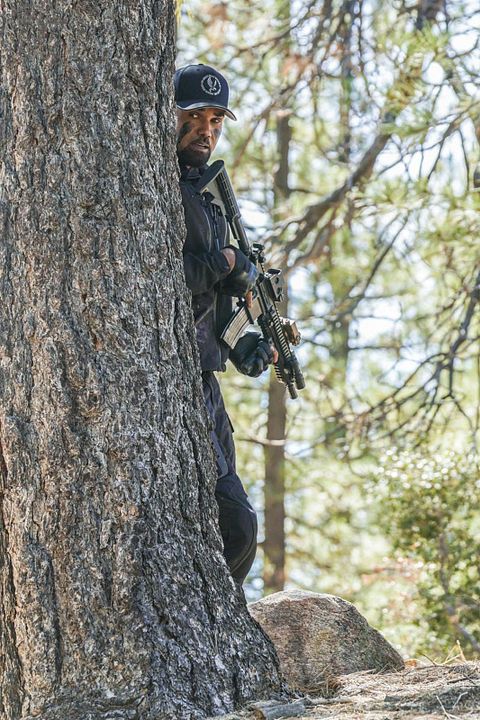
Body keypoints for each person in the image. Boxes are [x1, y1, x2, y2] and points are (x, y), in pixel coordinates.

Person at [175, 64, 275, 587]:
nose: (205, 129)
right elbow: (156, 275)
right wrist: (227, 266)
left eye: (215, 119)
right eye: (192, 116)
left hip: (205, 381)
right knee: (233, 524)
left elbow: (211, 297)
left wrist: (242, 343)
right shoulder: (156, 189)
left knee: (235, 521)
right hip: (174, 381)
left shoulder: (206, 195)